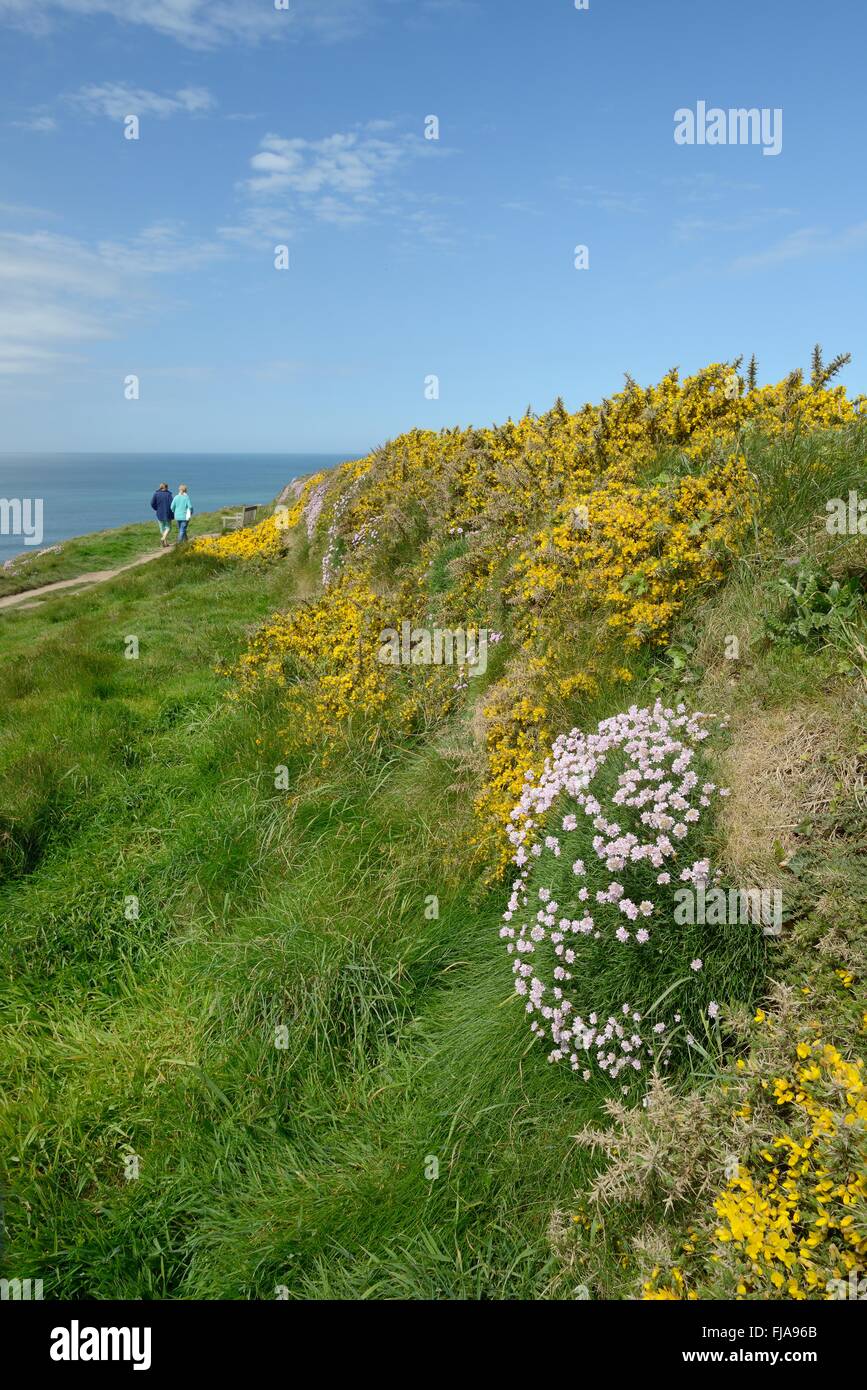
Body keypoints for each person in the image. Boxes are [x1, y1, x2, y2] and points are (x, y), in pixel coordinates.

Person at [150, 482, 173, 547]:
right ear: (166, 487)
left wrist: (156, 509)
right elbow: (172, 504)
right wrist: (172, 511)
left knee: (162, 528)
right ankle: (163, 539)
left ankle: (165, 543)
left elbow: (152, 503)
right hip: (167, 513)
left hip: (159, 513)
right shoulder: (168, 494)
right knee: (168, 528)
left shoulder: (156, 494)